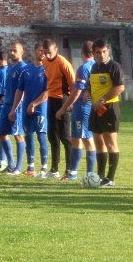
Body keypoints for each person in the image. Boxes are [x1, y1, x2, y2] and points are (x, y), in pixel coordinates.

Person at [57, 41, 96, 183]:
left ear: (82, 52)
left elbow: (77, 91)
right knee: (76, 139)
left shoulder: (84, 68)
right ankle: (72, 173)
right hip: (88, 107)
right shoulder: (96, 66)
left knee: (86, 139)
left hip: (83, 108)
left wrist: (65, 107)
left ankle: (89, 175)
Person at [88, 39, 125, 186]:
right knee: (98, 141)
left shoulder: (114, 66)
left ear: (108, 51)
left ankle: (110, 179)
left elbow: (120, 87)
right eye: (98, 52)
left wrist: (102, 100)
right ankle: (100, 176)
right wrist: (87, 94)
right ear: (93, 53)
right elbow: (91, 86)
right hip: (96, 109)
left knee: (110, 142)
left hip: (109, 108)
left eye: (104, 51)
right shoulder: (94, 67)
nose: (102, 55)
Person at [42, 39, 75, 177]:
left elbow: (73, 84)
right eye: (45, 52)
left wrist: (71, 103)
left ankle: (70, 170)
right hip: (51, 99)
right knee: (52, 135)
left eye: (49, 52)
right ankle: (54, 169)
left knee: (65, 136)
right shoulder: (44, 62)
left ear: (56, 50)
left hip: (63, 100)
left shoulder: (63, 63)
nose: (47, 55)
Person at [12, 53, 49, 176]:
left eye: (43, 51)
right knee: (28, 136)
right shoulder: (26, 69)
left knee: (41, 136)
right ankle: (30, 167)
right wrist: (14, 108)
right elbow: (19, 90)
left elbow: (48, 91)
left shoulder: (47, 70)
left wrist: (34, 104)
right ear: (34, 51)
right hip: (26, 108)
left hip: (40, 108)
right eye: (39, 50)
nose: (42, 53)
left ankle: (44, 168)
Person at [0, 41, 28, 176]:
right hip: (6, 104)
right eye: (11, 50)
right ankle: (11, 164)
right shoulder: (9, 68)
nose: (12, 53)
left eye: (15, 50)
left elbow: (23, 91)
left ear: (22, 52)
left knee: (18, 135)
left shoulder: (24, 68)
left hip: (17, 107)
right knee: (1, 133)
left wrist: (15, 108)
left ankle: (18, 168)